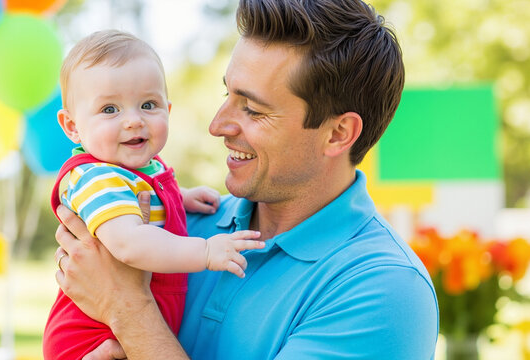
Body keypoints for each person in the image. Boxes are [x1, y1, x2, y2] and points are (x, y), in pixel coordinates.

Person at [54, 0, 439, 359]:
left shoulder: (382, 292)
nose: (217, 125)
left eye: (253, 110)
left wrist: (127, 308)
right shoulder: (178, 223)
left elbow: (120, 300)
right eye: (227, 93)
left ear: (338, 134)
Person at [43, 30, 265, 360]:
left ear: (168, 109)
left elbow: (142, 198)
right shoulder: (96, 177)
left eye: (148, 105)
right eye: (109, 109)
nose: (133, 120)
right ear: (72, 126)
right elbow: (129, 243)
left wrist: (180, 197)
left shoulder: (143, 170)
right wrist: (204, 251)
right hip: (90, 339)